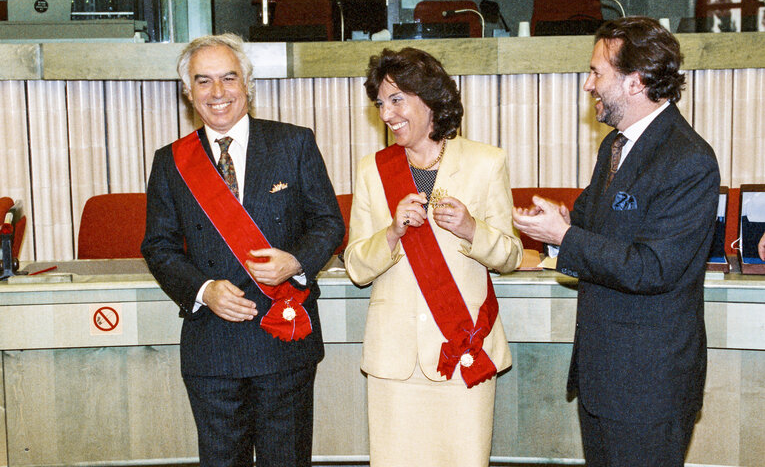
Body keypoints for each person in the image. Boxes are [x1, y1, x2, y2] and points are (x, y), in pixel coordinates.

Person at [513, 17, 720, 466]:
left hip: (649, 389)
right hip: (603, 379)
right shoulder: (614, 147)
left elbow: (652, 268)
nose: (588, 85)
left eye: (596, 73)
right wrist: (556, 227)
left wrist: (564, 236)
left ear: (635, 82)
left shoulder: (689, 159)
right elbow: (588, 227)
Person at [141, 33, 344, 467]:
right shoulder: (170, 161)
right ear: (188, 92)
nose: (218, 93)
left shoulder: (294, 143)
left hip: (284, 340)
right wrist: (203, 289)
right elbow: (158, 245)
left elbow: (328, 223)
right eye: (203, 81)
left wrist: (296, 261)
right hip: (212, 345)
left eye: (228, 78)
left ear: (247, 84)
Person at [344, 47, 523, 467]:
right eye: (380, 104)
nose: (387, 114)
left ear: (430, 99)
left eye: (396, 99)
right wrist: (391, 233)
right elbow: (355, 265)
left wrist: (471, 229)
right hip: (396, 361)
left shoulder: (486, 162)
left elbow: (511, 255)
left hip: (463, 350)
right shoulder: (373, 168)